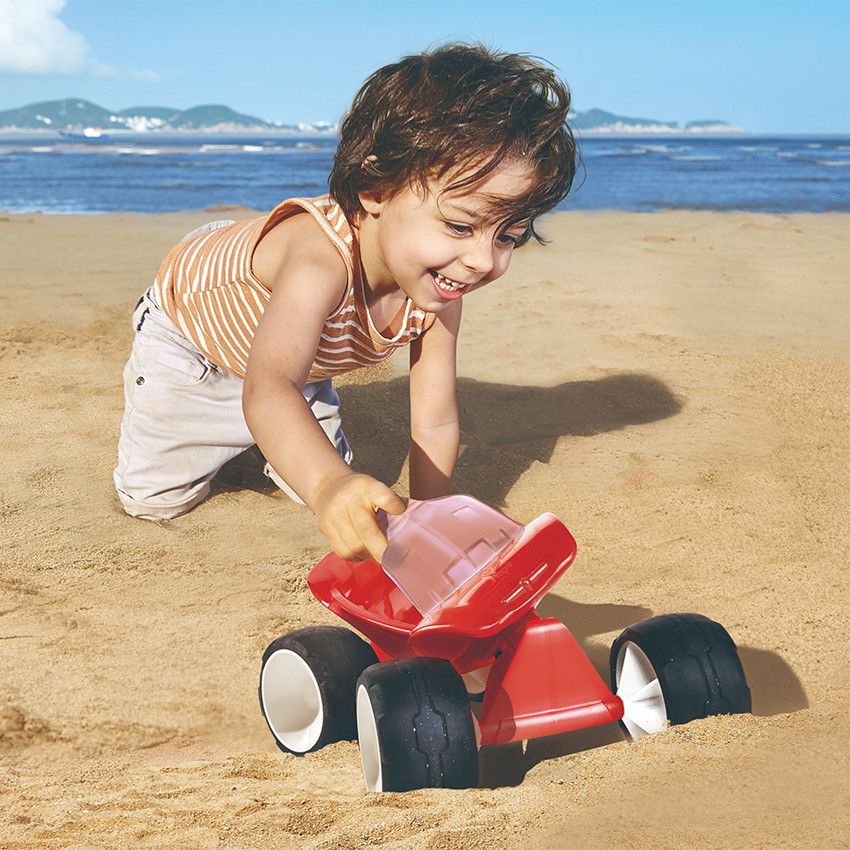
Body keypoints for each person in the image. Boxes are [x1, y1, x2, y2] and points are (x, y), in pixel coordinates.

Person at [114, 43, 578, 562]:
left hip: (297, 358)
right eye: (460, 226)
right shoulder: (319, 262)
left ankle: (260, 442)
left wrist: (426, 518)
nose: (480, 260)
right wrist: (329, 486)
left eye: (507, 237)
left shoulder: (441, 283)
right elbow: (270, 387)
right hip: (198, 336)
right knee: (156, 501)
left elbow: (436, 420)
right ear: (375, 188)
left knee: (354, 504)